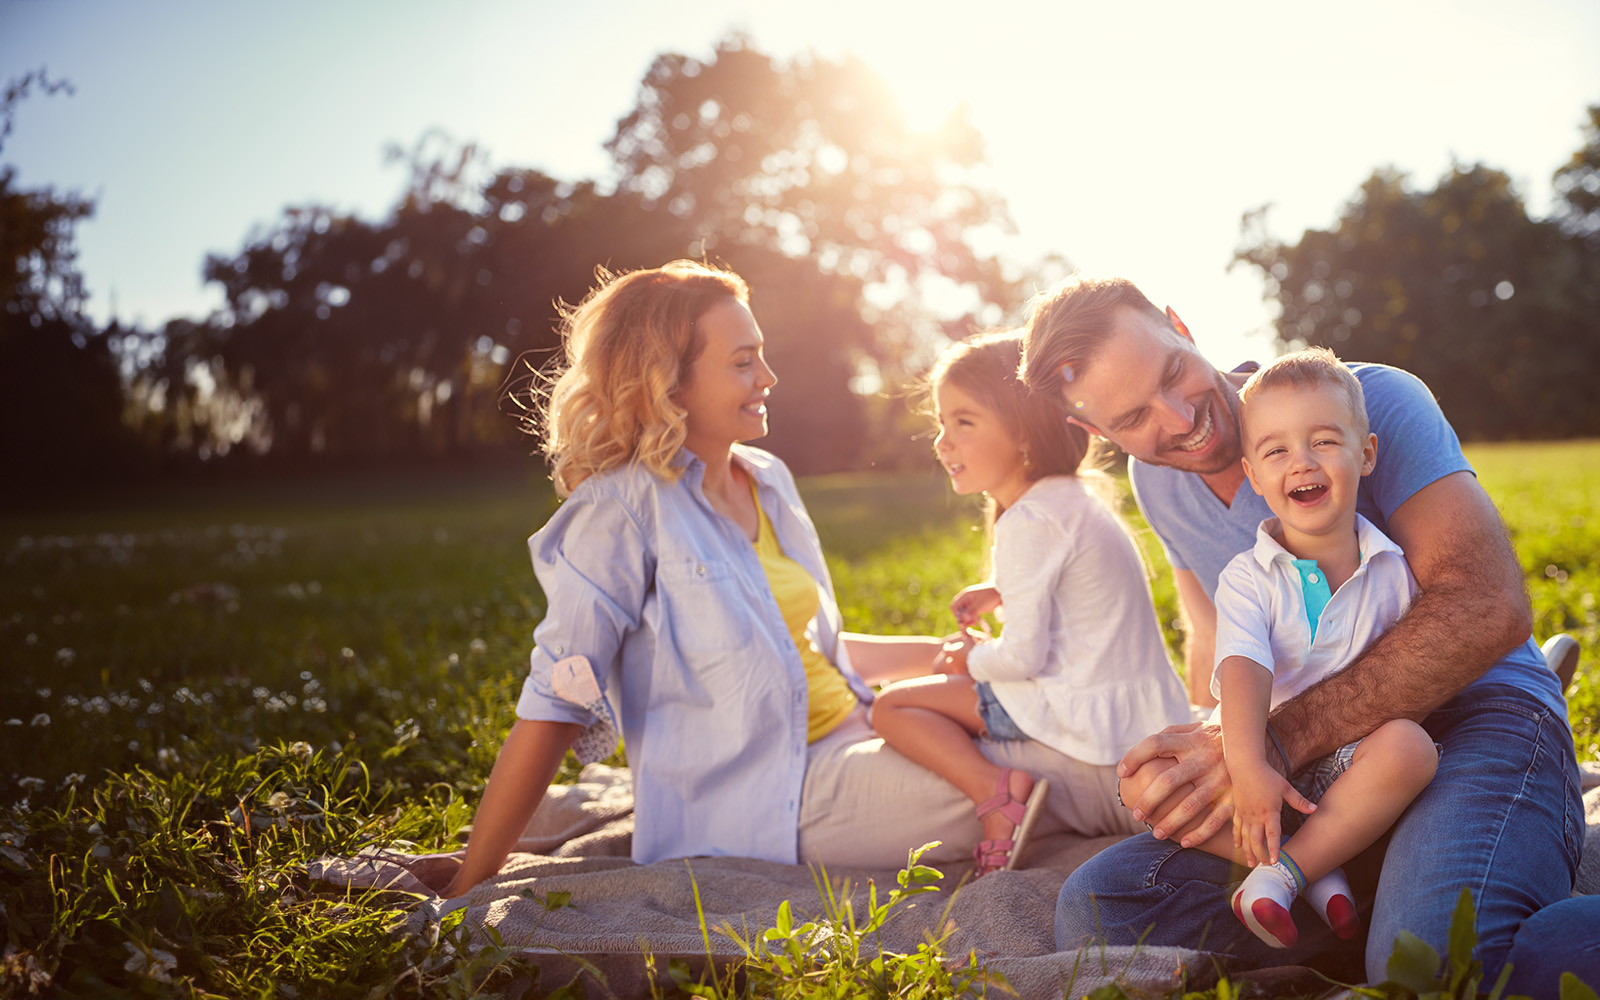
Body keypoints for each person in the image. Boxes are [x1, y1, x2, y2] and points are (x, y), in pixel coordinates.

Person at [414, 261, 1102, 898]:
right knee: (1054, 772)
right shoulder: (619, 512)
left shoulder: (766, 479)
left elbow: (803, 652)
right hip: (778, 798)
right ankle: (1198, 799)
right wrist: (471, 881)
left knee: (1064, 719)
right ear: (667, 382)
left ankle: (1190, 767)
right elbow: (557, 703)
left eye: (762, 355)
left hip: (862, 729)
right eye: (743, 362)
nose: (769, 376)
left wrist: (952, 659)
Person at [1021, 275, 1592, 994]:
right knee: (1106, 909)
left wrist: (1272, 743)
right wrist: (1204, 754)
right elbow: (1218, 634)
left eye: (1173, 372)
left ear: (1180, 325)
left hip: (1474, 714)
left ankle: (1427, 897)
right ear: (1099, 435)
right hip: (1325, 775)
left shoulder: (1366, 399)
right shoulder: (1156, 480)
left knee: (1427, 973)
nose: (1178, 417)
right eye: (1135, 417)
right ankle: (1389, 896)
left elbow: (1486, 606)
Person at [1120, 348, 1439, 950]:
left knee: (1411, 748)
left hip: (1350, 766)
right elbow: (1242, 669)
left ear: (1365, 454)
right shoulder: (1248, 576)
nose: (1301, 463)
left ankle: (1282, 875)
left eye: (1323, 441)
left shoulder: (1394, 569)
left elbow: (1412, 681)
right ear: (1255, 474)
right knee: (1144, 781)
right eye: (1276, 452)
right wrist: (1247, 767)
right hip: (1257, 759)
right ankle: (1317, 869)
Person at [869, 331, 1192, 877]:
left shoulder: (1028, 520)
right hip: (1140, 712)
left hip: (1086, 721)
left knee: (892, 707)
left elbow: (1021, 659)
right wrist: (999, 588)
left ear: (1022, 434)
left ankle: (997, 794)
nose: (942, 442)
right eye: (942, 423)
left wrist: (967, 660)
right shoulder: (1072, 499)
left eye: (963, 423)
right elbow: (1070, 582)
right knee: (936, 692)